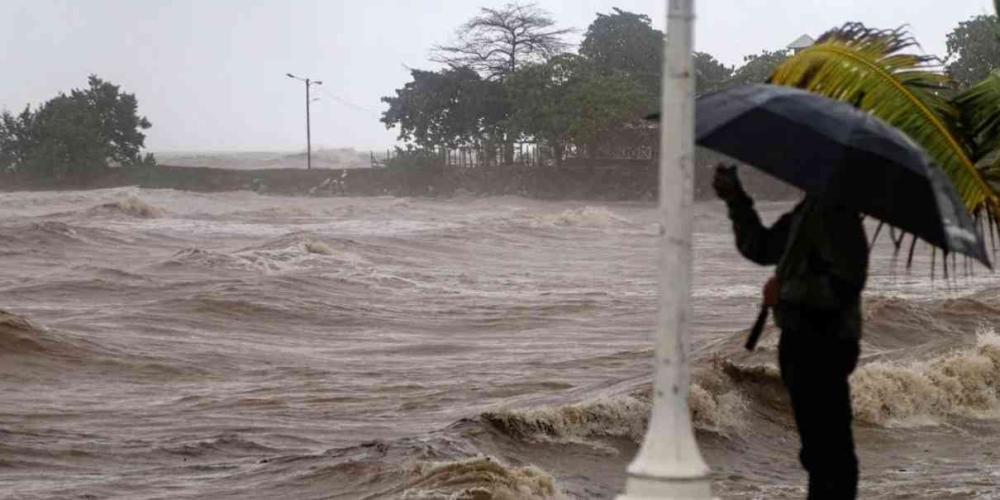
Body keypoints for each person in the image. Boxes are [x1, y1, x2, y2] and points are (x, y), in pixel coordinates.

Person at [713, 164, 868, 499]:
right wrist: (736, 200)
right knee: (819, 450)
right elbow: (763, 247)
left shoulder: (838, 217)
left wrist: (783, 293)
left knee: (830, 452)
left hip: (824, 342)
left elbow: (845, 285)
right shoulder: (810, 210)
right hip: (802, 341)